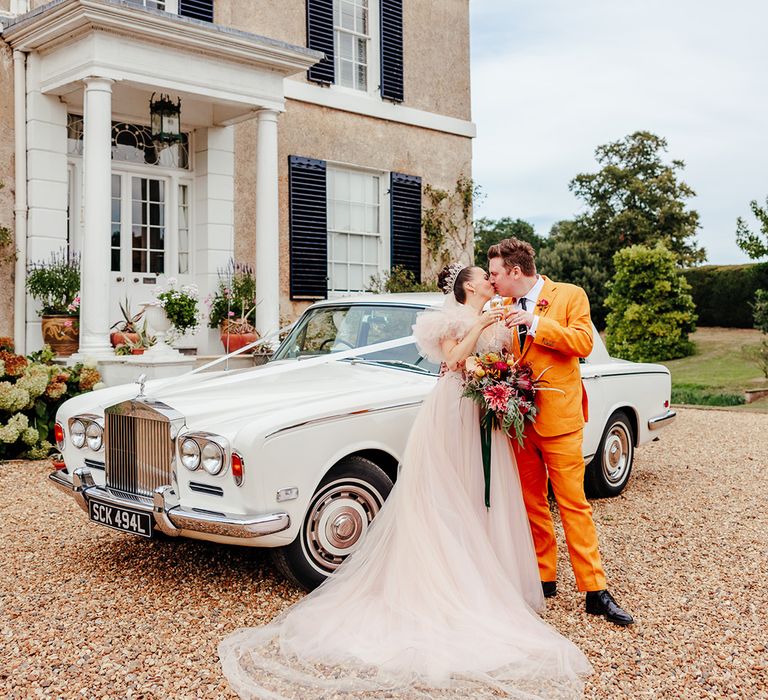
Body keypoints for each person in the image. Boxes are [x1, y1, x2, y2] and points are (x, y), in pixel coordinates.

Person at [219, 263, 592, 699]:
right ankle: (450, 582)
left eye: (496, 273)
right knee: (446, 493)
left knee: (487, 497)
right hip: (454, 409)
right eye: (485, 275)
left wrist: (502, 381)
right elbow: (454, 359)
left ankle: (499, 578)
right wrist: (482, 334)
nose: (493, 280)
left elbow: (513, 358)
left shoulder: (503, 311)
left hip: (486, 413)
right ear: (469, 285)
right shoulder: (450, 318)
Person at [487, 237, 634, 626]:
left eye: (496, 273)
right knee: (532, 504)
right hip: (517, 423)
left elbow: (583, 343)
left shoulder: (570, 295)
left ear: (516, 272)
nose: (493, 280)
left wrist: (535, 323)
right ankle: (543, 578)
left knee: (573, 504)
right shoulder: (498, 306)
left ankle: (595, 590)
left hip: (560, 421)